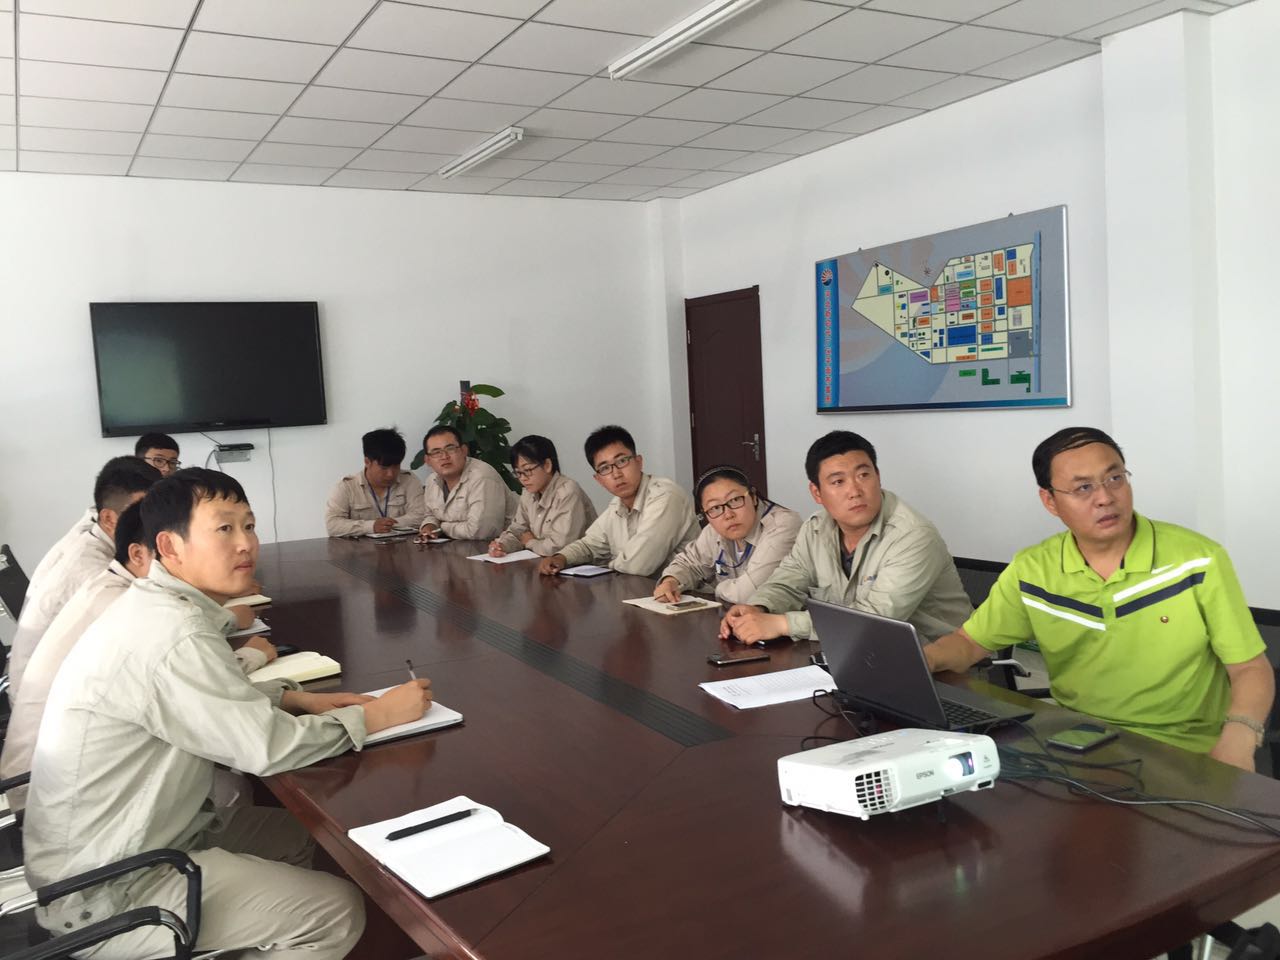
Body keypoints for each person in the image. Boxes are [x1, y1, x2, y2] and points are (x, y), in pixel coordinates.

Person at [23, 468, 434, 959]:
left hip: (136, 842)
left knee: (308, 839)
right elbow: (266, 748)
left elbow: (195, 700)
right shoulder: (174, 634)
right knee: (336, 911)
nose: (246, 543)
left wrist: (290, 698)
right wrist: (377, 716)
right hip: (112, 889)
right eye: (224, 528)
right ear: (169, 547)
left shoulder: (161, 609)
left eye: (249, 525)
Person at [923, 427, 1273, 771]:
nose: (1105, 497)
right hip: (1078, 742)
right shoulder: (1032, 569)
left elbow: (1249, 668)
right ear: (1050, 501)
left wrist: (1240, 736)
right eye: (1083, 488)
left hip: (1184, 751)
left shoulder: (1197, 560)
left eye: (1115, 478)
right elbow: (969, 643)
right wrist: (927, 659)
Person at [0, 502, 277, 790]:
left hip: (61, 763)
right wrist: (249, 650)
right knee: (233, 785)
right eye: (170, 555)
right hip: (45, 780)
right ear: (139, 553)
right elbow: (196, 684)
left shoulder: (115, 586)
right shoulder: (122, 603)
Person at [720, 431, 971, 645]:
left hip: (944, 668)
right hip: (859, 655)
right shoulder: (815, 528)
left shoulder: (913, 536)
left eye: (863, 475)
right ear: (817, 493)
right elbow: (788, 582)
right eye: (838, 481)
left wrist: (782, 624)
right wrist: (758, 609)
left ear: (878, 476)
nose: (854, 491)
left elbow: (877, 619)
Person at [7, 455, 162, 696]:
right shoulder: (92, 570)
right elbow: (148, 633)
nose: (154, 525)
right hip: (47, 701)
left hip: (51, 684)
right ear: (108, 518)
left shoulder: (95, 534)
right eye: (141, 514)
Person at [539, 425, 699, 578]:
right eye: (605, 468)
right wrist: (561, 558)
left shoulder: (665, 495)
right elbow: (589, 545)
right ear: (599, 479)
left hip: (687, 593)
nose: (616, 474)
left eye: (622, 461)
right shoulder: (617, 505)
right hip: (641, 591)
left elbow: (638, 566)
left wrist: (607, 567)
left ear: (639, 462)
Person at [654, 465, 802, 605]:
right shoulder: (714, 529)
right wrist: (671, 580)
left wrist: (714, 588)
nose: (728, 514)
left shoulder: (783, 525)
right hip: (736, 616)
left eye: (735, 500)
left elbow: (749, 594)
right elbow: (689, 563)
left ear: (753, 497)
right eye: (715, 507)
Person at [489, 435, 598, 558]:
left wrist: (530, 542)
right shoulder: (528, 493)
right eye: (518, 473)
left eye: (527, 470)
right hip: (545, 563)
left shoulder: (567, 492)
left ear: (547, 465)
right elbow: (518, 531)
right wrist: (502, 545)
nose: (523, 478)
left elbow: (560, 547)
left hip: (582, 566)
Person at [418, 424, 517, 540]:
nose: (444, 456)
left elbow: (481, 531)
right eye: (436, 452)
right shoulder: (432, 480)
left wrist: (441, 528)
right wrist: (430, 526)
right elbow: (430, 515)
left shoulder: (482, 476)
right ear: (428, 460)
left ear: (464, 450)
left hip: (497, 547)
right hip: (457, 545)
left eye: (450, 449)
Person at [325, 427, 426, 537]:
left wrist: (388, 525)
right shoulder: (346, 487)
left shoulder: (409, 480)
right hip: (360, 547)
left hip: (402, 545)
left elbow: (421, 516)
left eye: (396, 466)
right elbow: (332, 525)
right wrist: (371, 526)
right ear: (367, 462)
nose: (390, 474)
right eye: (384, 468)